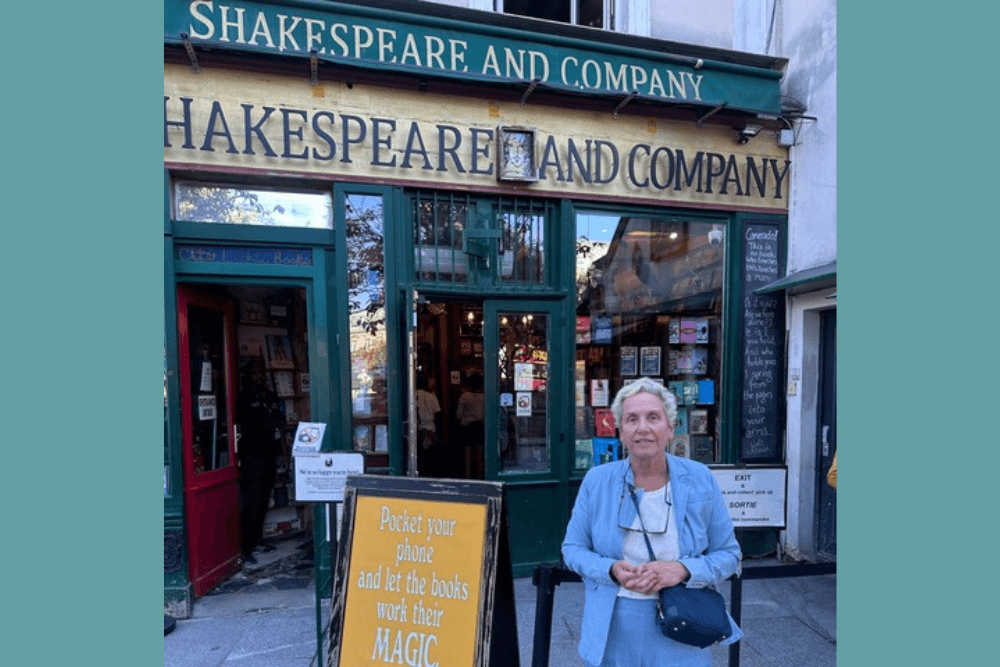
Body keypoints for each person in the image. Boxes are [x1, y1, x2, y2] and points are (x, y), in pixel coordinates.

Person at [562, 377, 742, 666]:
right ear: (621, 431)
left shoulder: (700, 479)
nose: (642, 428)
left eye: (653, 417)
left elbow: (729, 555)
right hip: (613, 625)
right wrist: (610, 569)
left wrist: (682, 569)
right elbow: (572, 549)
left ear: (671, 428)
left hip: (683, 622)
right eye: (632, 419)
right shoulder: (597, 481)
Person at [237, 361, 285, 565]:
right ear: (248, 376)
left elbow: (279, 419)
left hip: (268, 454)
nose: (259, 376)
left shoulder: (268, 395)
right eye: (255, 373)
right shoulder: (243, 397)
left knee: (265, 500)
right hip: (252, 457)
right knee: (251, 503)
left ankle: (258, 540)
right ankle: (246, 548)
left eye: (261, 373)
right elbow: (245, 423)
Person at [455, 373, 485, 478]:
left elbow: (458, 415)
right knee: (480, 453)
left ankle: (468, 476)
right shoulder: (485, 397)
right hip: (480, 426)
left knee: (467, 453)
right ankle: (479, 476)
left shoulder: (464, 396)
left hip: (467, 426)